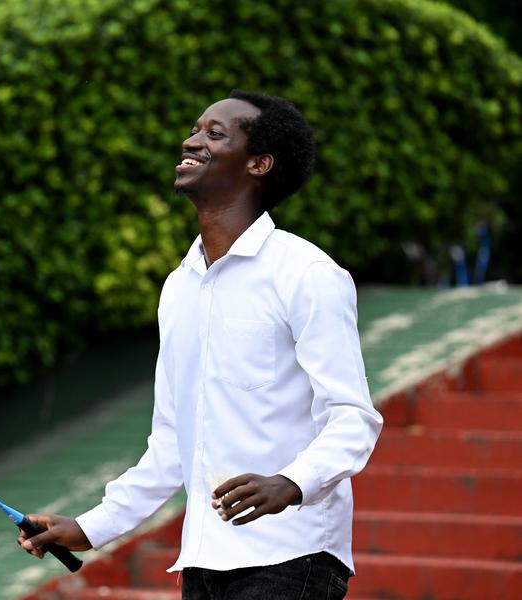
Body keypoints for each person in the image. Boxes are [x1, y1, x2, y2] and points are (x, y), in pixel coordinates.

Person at [19, 91, 383, 599]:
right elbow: (172, 442)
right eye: (195, 130)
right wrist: (90, 527)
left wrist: (291, 483)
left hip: (292, 556)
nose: (192, 141)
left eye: (215, 134)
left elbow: (353, 417)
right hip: (202, 563)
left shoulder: (308, 274)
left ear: (258, 164)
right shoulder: (179, 287)